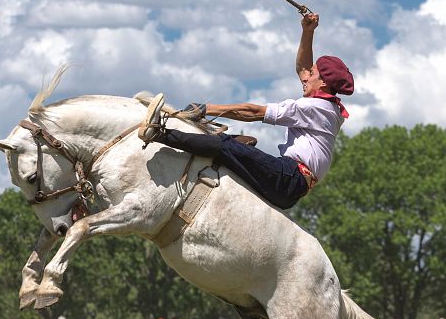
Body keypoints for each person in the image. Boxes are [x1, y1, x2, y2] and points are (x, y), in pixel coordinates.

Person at [139, 12, 353, 210]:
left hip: (288, 177)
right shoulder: (327, 106)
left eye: (312, 74)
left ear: (323, 83)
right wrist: (308, 32)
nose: (305, 77)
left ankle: (158, 133)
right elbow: (304, 69)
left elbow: (253, 112)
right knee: (229, 147)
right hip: (291, 184)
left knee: (221, 144)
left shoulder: (312, 107)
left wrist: (205, 109)